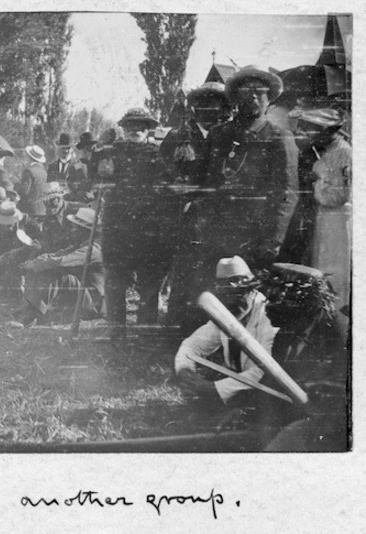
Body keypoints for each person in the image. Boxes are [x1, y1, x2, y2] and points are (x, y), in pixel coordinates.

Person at [201, 65, 299, 269]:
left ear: (270, 99)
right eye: (246, 91)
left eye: (260, 92)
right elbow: (208, 182)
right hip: (216, 232)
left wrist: (273, 241)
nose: (253, 97)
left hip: (257, 237)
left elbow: (286, 193)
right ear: (235, 97)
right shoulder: (218, 134)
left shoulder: (279, 138)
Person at [256, 263, 349, 451]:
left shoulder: (340, 337)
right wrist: (246, 412)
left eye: (278, 302)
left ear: (306, 303)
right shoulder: (285, 335)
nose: (268, 309)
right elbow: (271, 382)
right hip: (288, 424)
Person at [102, 107, 173, 334]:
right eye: (131, 126)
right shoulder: (111, 152)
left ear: (148, 129)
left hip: (146, 229)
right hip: (116, 228)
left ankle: (145, 331)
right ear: (124, 128)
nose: (136, 130)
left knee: (148, 283)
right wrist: (100, 156)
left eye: (141, 126)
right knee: (115, 282)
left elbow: (165, 187)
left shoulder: (158, 155)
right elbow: (95, 177)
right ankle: (115, 330)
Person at [174, 256, 276, 410]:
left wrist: (215, 388)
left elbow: (264, 371)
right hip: (238, 393)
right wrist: (185, 370)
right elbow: (192, 345)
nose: (232, 302)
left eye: (239, 294)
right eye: (226, 296)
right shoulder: (227, 314)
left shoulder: (268, 317)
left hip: (268, 396)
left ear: (253, 291)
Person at [291, 108, 351, 310]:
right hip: (326, 218)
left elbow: (342, 195)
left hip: (337, 221)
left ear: (327, 131)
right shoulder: (329, 151)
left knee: (334, 266)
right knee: (322, 263)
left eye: (313, 131)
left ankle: (336, 309)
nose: (309, 136)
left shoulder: (344, 153)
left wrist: (316, 183)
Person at [14, 207, 104, 327]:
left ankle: (30, 315)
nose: (73, 231)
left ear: (85, 231)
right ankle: (29, 309)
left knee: (61, 275)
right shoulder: (81, 244)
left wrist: (36, 264)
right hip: (85, 297)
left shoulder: (93, 250)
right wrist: (35, 261)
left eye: (76, 228)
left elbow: (63, 261)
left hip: (95, 304)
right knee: (44, 266)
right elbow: (58, 254)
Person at [159, 82, 231, 186]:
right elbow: (163, 172)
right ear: (198, 106)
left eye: (226, 106)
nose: (226, 113)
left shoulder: (226, 138)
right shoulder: (178, 137)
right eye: (217, 104)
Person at [16, 145, 48, 216]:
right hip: (41, 209)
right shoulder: (43, 171)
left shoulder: (28, 171)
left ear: (28, 157)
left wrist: (17, 185)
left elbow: (24, 192)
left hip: (28, 210)